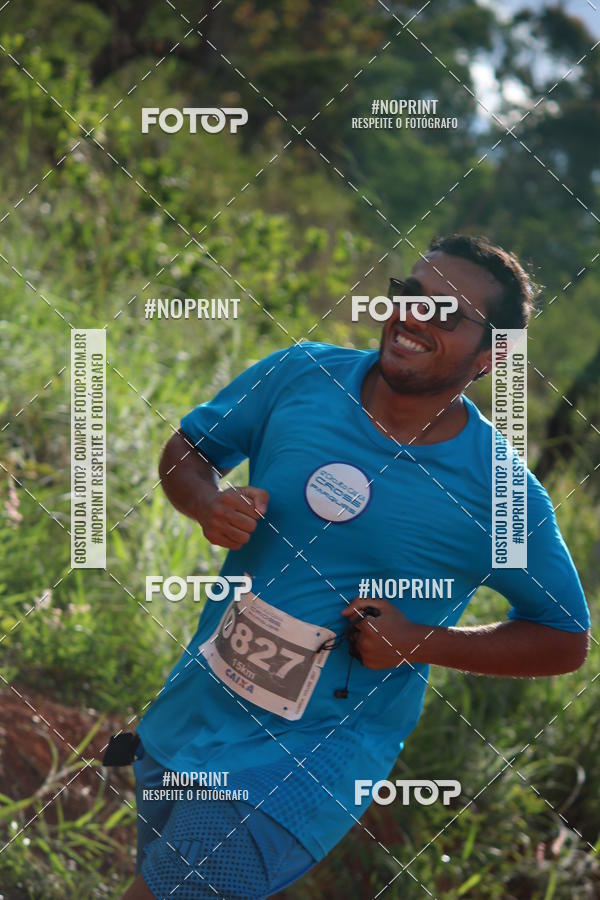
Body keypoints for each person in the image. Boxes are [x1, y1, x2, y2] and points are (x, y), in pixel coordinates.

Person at [122, 234, 590, 899]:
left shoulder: (499, 491)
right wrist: (207, 506)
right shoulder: (299, 375)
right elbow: (190, 450)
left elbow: (564, 637)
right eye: (411, 295)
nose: (414, 318)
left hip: (310, 760)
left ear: (491, 356)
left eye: (447, 314)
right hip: (195, 709)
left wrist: (419, 643)